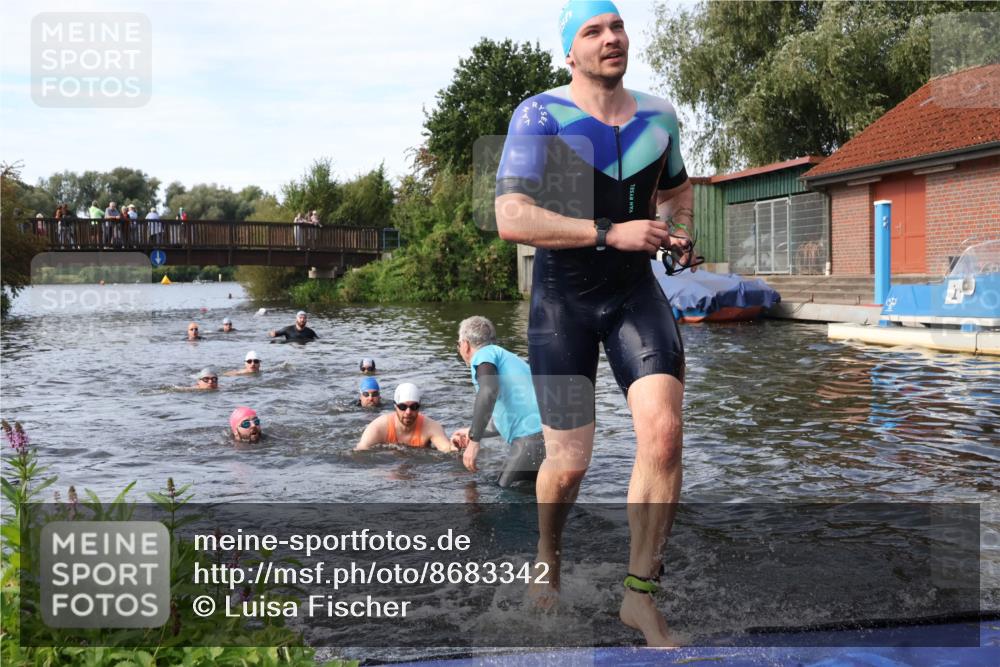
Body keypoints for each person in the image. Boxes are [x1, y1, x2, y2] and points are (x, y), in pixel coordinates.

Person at [493, 1, 695, 646]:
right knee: (570, 462)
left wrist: (680, 231)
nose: (611, 39)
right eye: (593, 31)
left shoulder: (661, 115)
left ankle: (639, 597)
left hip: (635, 295)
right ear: (569, 52)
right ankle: (548, 554)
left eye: (617, 26)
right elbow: (512, 218)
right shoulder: (541, 115)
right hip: (563, 304)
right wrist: (610, 231)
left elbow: (677, 190)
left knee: (663, 435)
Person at [449, 316, 545, 489]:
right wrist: (472, 432)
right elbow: (508, 418)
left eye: (458, 345)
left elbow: (489, 390)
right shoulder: (509, 359)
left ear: (465, 345)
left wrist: (474, 441)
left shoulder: (483, 355)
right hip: (548, 436)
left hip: (532, 440)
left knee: (505, 497)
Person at [355, 383, 457, 452]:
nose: (408, 412)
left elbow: (447, 450)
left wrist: (456, 446)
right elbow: (360, 453)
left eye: (414, 407)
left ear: (419, 406)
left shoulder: (431, 427)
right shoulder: (378, 428)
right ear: (395, 406)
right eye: (403, 407)